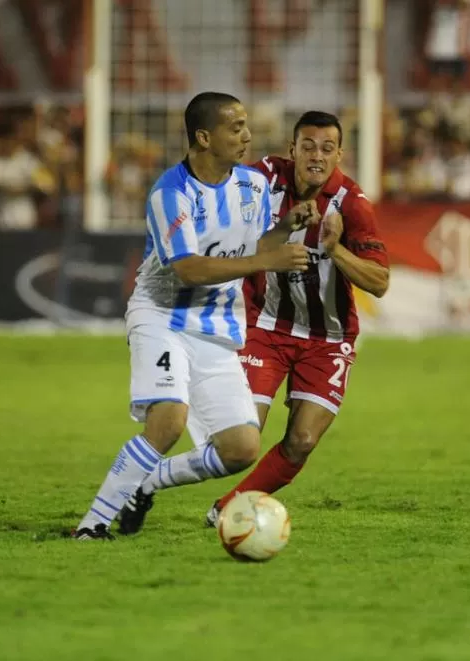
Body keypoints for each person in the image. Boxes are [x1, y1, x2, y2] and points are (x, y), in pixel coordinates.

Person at [117, 110, 390, 534]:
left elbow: (380, 282)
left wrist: (335, 250)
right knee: (241, 435)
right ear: (292, 150)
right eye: (308, 147)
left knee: (301, 441)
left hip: (328, 338)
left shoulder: (352, 205)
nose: (316, 156)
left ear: (340, 154)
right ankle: (147, 482)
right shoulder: (262, 179)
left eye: (327, 148)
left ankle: (220, 507)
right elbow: (224, 198)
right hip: (266, 328)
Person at [72, 91, 313, 540]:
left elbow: (253, 247)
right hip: (161, 317)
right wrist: (268, 262)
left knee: (241, 449)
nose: (247, 135)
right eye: (235, 127)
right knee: (168, 421)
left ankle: (144, 483)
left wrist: (284, 227)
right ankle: (92, 526)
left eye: (246, 125)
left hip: (217, 327)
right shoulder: (171, 192)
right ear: (204, 137)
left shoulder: (253, 186)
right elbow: (189, 268)